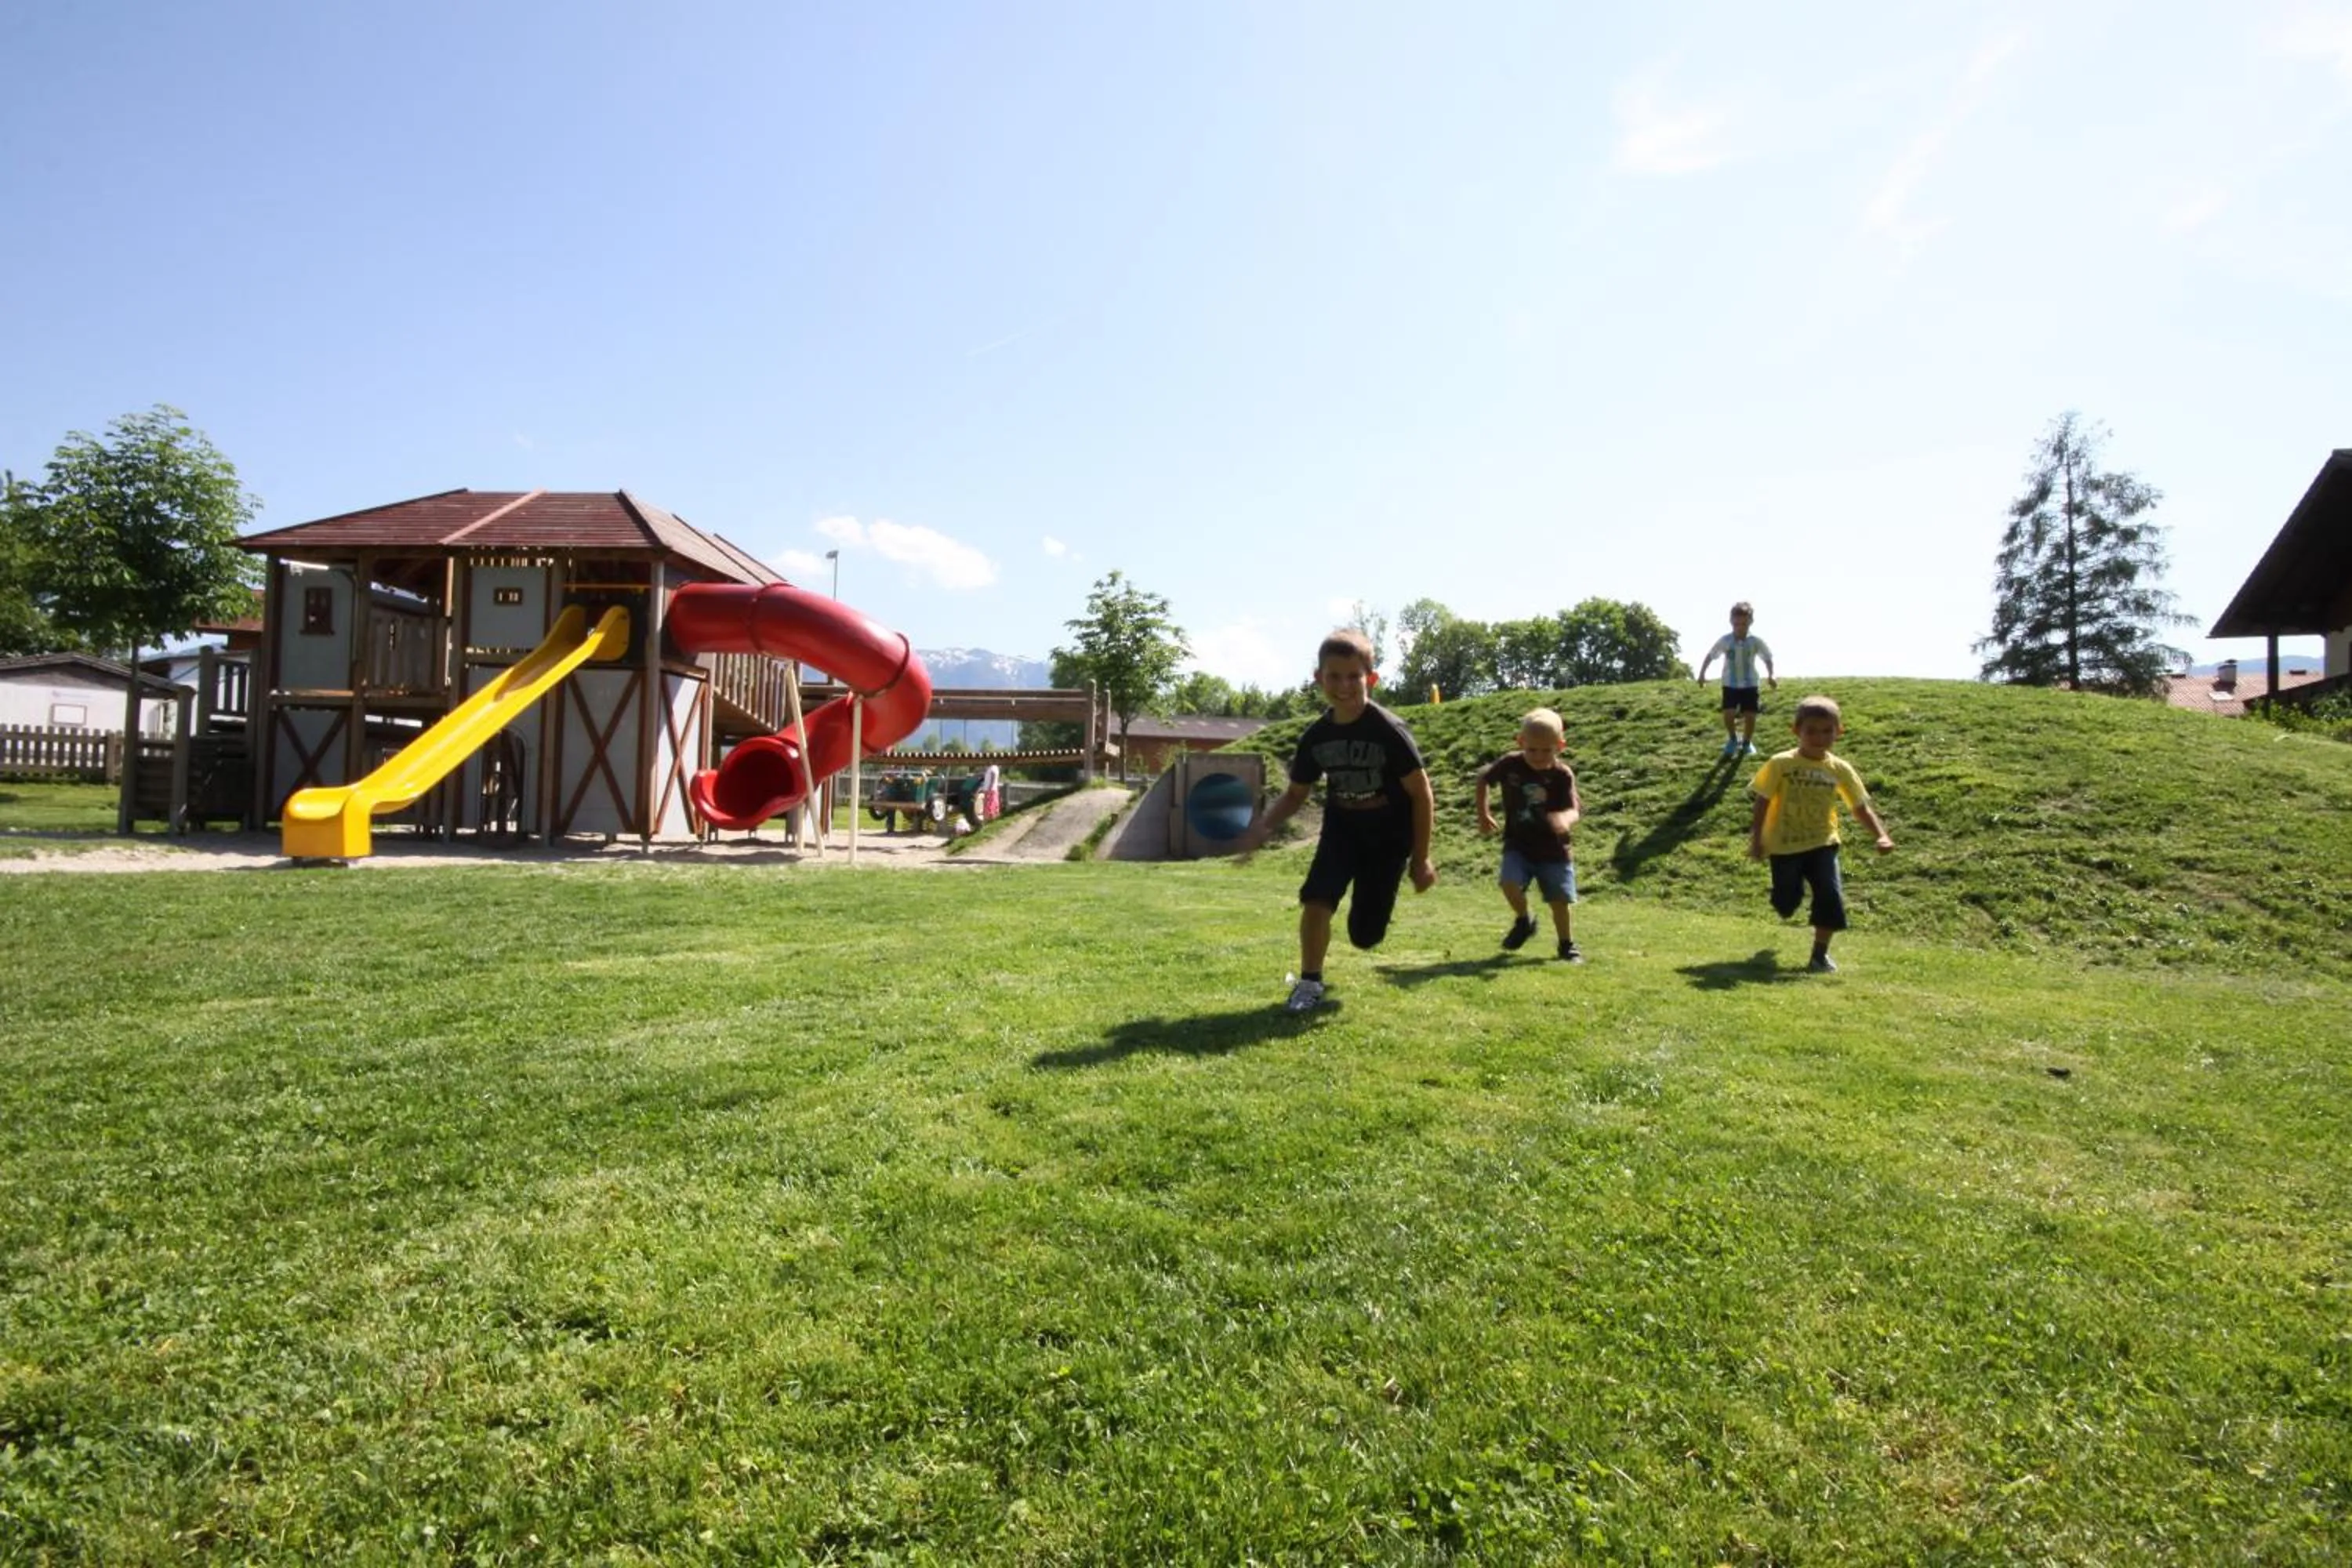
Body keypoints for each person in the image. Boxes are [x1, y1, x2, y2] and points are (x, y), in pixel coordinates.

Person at [1236, 629, 1438, 1012]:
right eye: (1334, 676)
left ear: (1371, 679)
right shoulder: (1316, 737)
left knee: (1365, 935)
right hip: (1342, 831)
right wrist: (1263, 826)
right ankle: (1310, 982)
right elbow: (1296, 793)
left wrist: (1421, 857)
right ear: (1319, 678)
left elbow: (1421, 793)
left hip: (1388, 838)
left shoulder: (1389, 731)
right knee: (1316, 898)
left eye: (1353, 677)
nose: (1344, 686)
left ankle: (1367, 917)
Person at [1747, 694, 1895, 973]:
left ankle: (1819, 956)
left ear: (1839, 731)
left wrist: (1881, 835)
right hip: (1784, 844)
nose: (1819, 737)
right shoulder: (1781, 763)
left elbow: (1860, 807)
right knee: (1786, 903)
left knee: (1830, 896)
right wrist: (1756, 840)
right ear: (1796, 731)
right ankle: (1787, 896)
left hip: (1823, 843)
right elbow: (1762, 801)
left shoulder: (1840, 769)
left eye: (1827, 731)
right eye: (1811, 731)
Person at [1475, 706, 1584, 963]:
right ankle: (1525, 920)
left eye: (1547, 750)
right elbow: (1483, 779)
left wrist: (1564, 819)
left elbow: (1575, 809)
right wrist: (1483, 813)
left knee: (1559, 900)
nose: (1538, 756)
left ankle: (1566, 945)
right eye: (1532, 749)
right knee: (1509, 883)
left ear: (1560, 746)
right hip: (1518, 845)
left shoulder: (1561, 775)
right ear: (1520, 742)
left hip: (1554, 849)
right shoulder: (1510, 764)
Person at [1695, 601, 1777, 757]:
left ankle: (1746, 743)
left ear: (1750, 622)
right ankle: (1733, 739)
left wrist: (1771, 675)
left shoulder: (1755, 641)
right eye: (1736, 624)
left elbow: (1767, 657)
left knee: (1750, 715)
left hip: (1750, 683)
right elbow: (1711, 655)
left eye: (1744, 624)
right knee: (1729, 713)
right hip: (1730, 683)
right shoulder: (1726, 640)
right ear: (1731, 622)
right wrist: (1702, 674)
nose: (1740, 627)